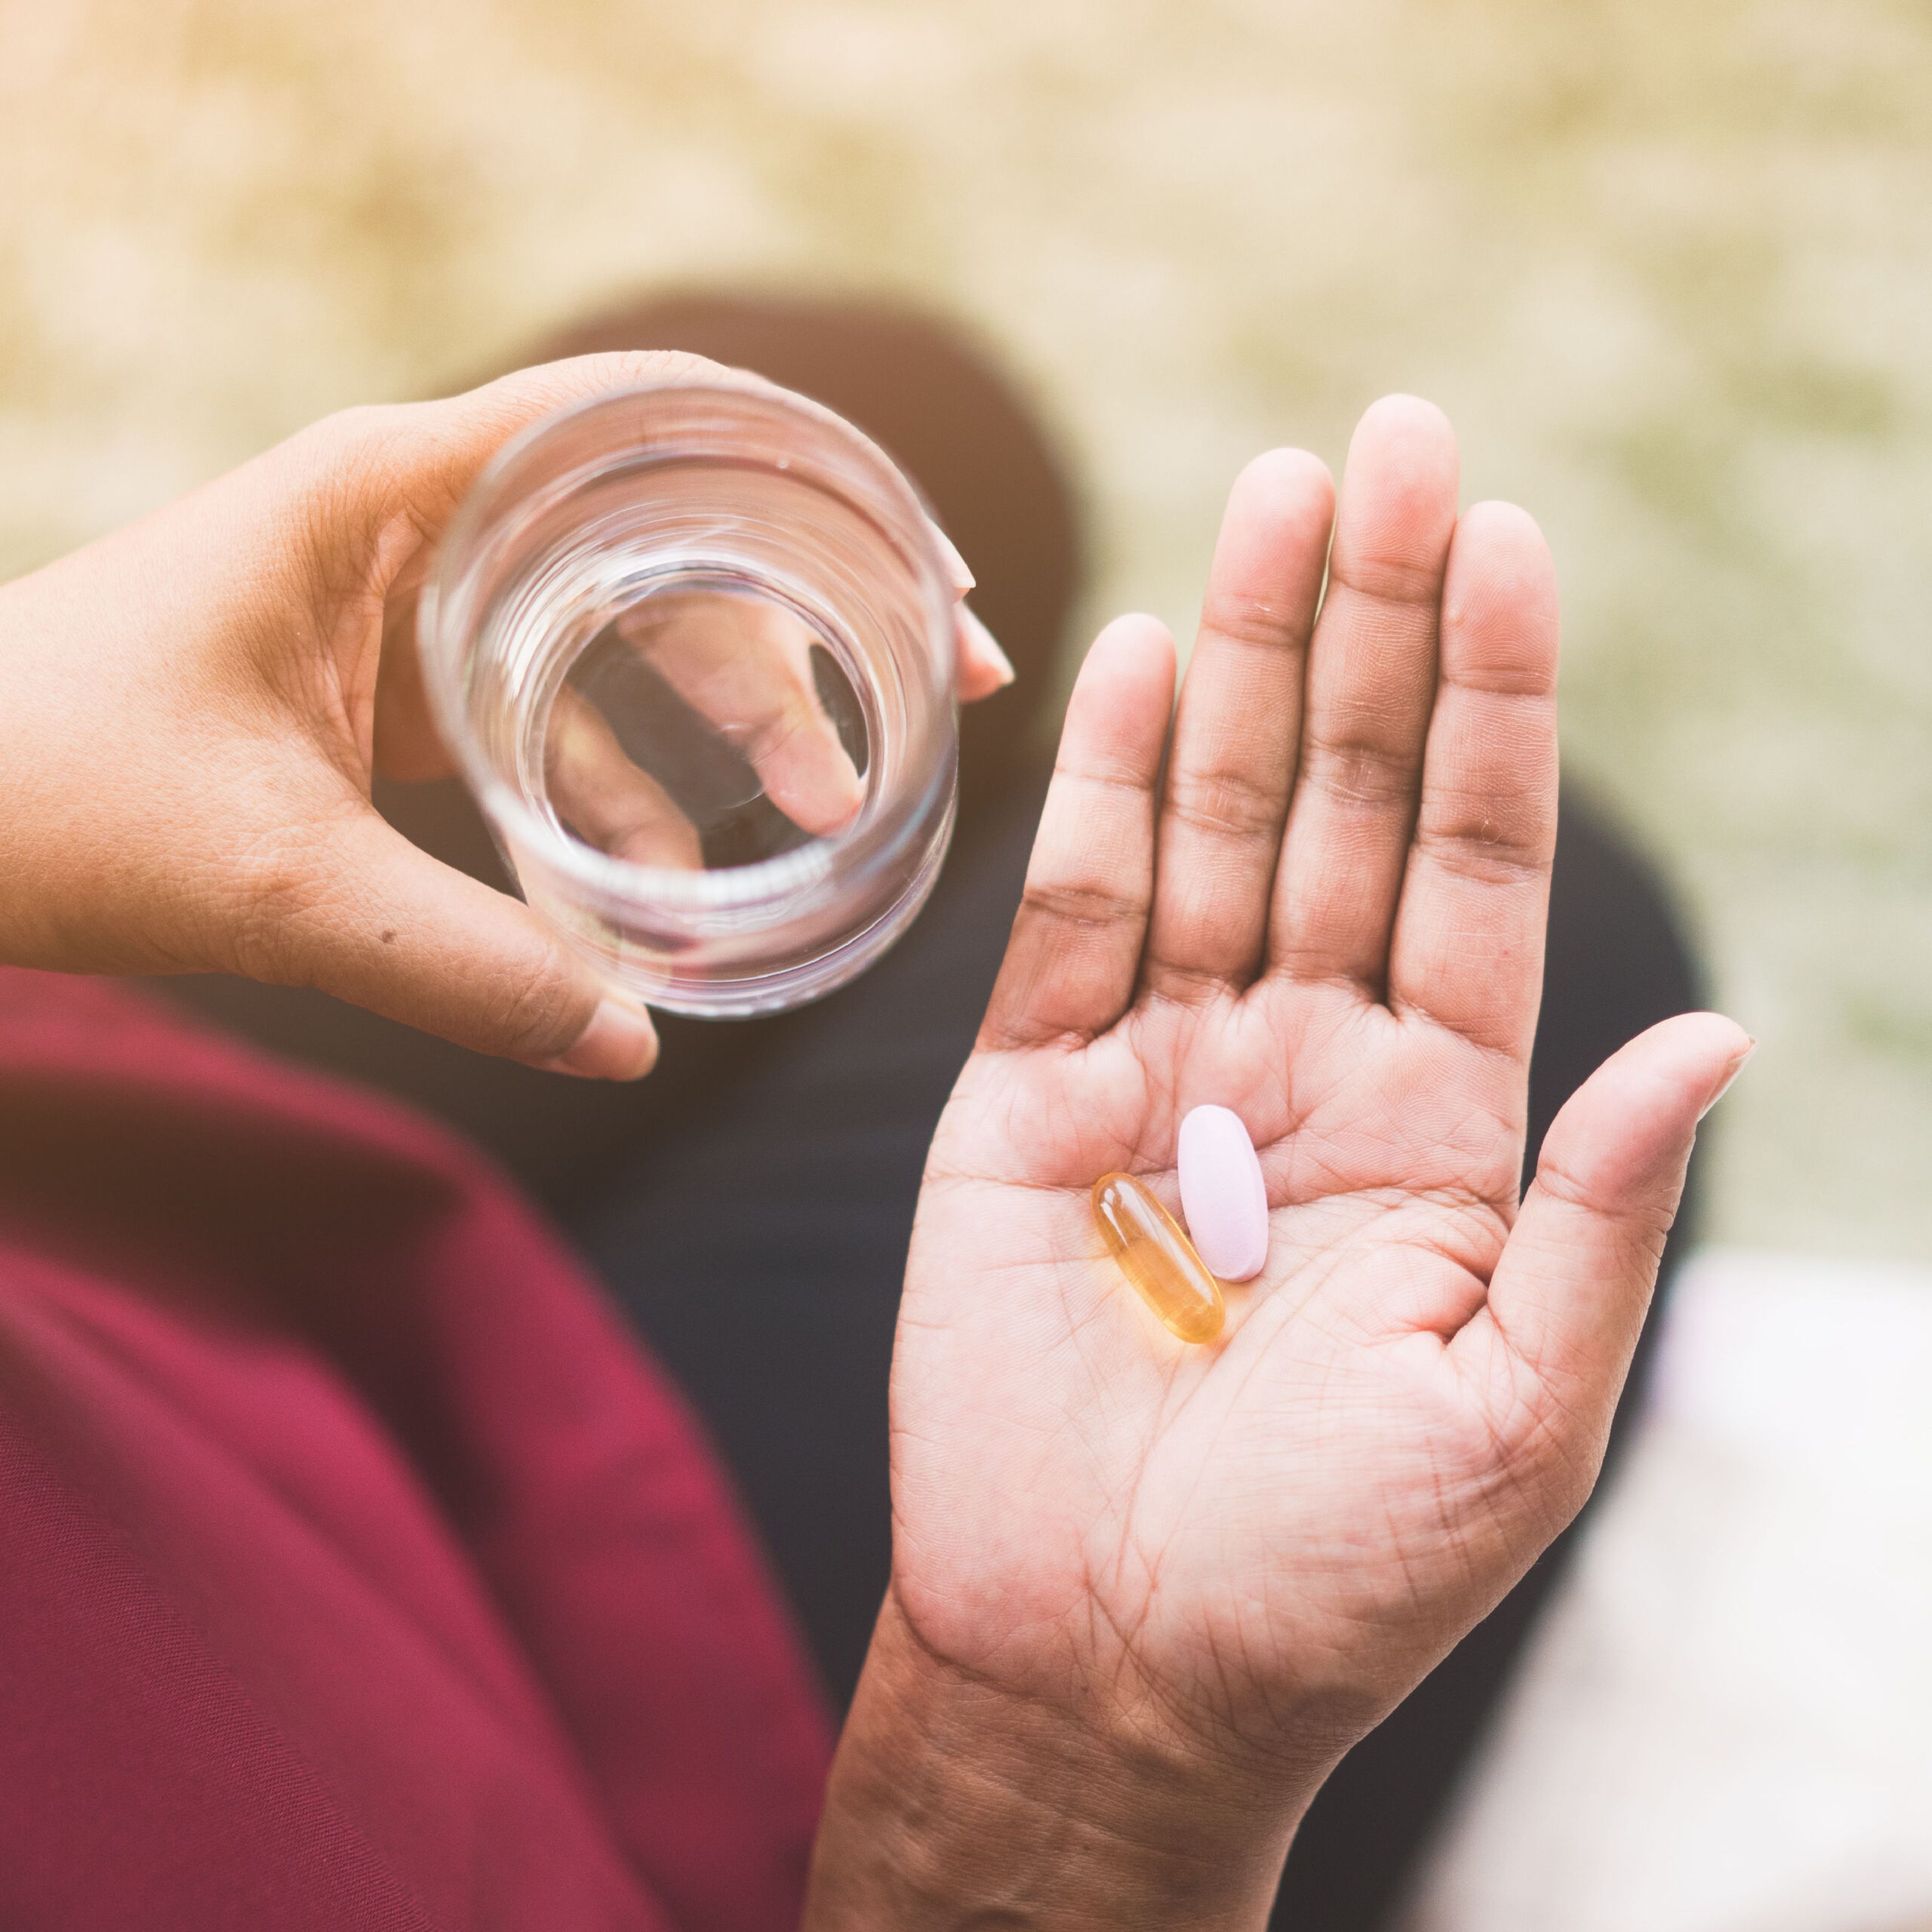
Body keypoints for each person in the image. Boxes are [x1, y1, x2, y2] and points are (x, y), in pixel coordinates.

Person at [0, 343, 1749, 1928]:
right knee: (1543, 902)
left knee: (848, 427)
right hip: (540, 1724)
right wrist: (1059, 1770)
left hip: (113, 1245)